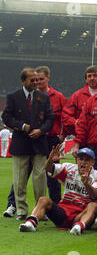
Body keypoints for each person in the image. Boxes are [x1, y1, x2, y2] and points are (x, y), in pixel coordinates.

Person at [19, 146, 97, 235]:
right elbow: (49, 169)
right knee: (43, 200)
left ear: (93, 162)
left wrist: (86, 184)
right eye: (81, 159)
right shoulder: (69, 168)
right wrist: (50, 160)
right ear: (77, 160)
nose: (83, 162)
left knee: (93, 205)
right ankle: (30, 223)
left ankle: (79, 227)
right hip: (64, 213)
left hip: (81, 215)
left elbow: (94, 196)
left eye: (87, 159)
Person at [1, 68, 54, 220]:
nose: (36, 83)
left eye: (37, 79)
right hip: (21, 143)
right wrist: (22, 126)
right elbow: (6, 117)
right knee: (19, 179)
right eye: (32, 80)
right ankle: (21, 211)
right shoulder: (13, 96)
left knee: (40, 179)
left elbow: (50, 118)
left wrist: (41, 130)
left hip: (39, 143)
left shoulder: (43, 97)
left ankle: (40, 209)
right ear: (23, 81)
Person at [36, 65, 67, 204]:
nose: (38, 82)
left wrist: (63, 135)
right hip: (34, 139)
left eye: (41, 79)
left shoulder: (59, 97)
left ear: (48, 78)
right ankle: (13, 204)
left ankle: (55, 204)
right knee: (26, 171)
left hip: (51, 139)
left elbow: (65, 118)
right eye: (36, 79)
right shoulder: (30, 95)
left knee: (53, 173)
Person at [62, 65, 97, 136]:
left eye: (95, 75)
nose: (92, 78)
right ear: (86, 79)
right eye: (89, 76)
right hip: (82, 137)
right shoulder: (77, 96)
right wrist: (76, 122)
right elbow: (65, 116)